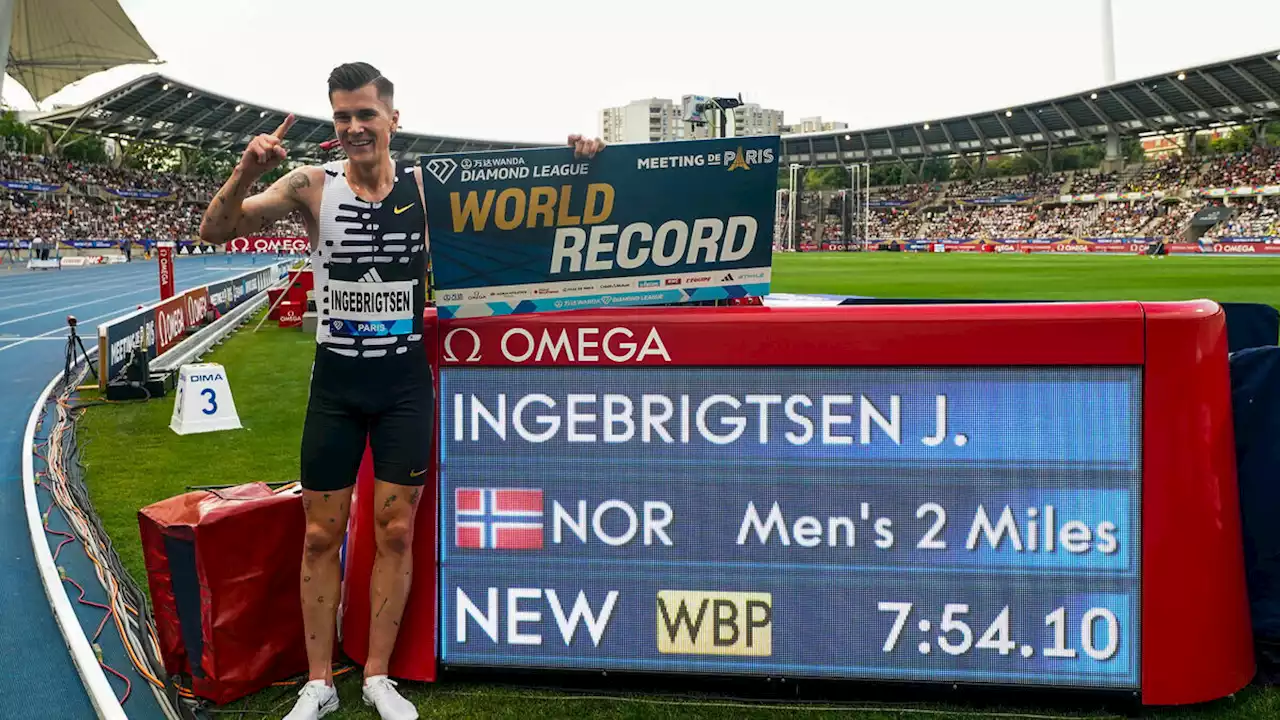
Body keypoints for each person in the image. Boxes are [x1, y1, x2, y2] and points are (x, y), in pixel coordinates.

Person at [198, 62, 603, 720]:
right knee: (320, 535)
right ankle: (321, 682)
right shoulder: (310, 186)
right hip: (336, 385)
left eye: (365, 114)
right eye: (342, 117)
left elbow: (527, 207)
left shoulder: (426, 187)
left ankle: (380, 676)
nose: (355, 127)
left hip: (403, 386)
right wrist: (247, 167)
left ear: (393, 118)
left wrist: (580, 162)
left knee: (394, 531)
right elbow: (215, 231)